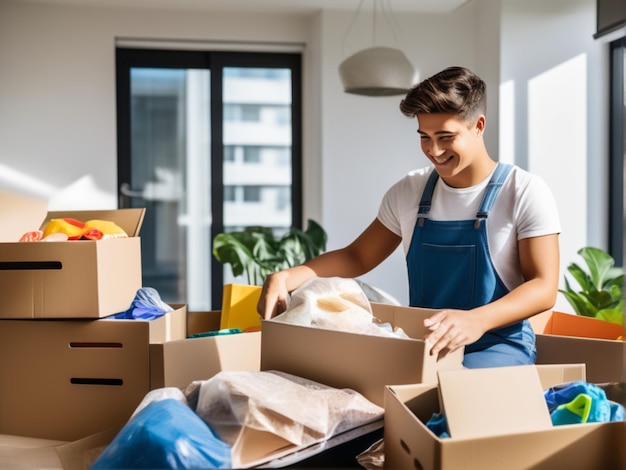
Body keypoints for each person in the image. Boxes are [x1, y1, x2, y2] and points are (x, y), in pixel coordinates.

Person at [257, 66, 561, 368]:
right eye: (424, 137)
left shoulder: (523, 191)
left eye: (446, 136)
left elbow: (543, 286)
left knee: (452, 399)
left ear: (478, 126)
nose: (434, 150)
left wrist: (477, 321)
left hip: (499, 345)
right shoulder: (410, 192)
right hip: (426, 346)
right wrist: (288, 276)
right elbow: (357, 256)